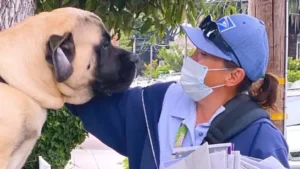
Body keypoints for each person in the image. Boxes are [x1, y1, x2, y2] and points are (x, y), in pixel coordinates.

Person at [65, 14, 290, 169]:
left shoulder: (261, 140)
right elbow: (88, 102)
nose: (191, 58)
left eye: (203, 54)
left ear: (234, 76)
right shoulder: (156, 104)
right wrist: (62, 65)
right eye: (196, 49)